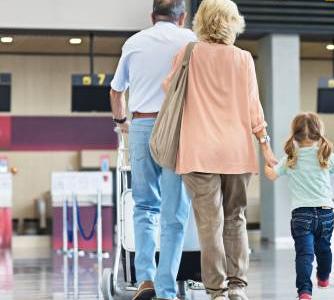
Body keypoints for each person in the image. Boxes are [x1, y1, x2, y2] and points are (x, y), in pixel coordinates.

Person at [165, 0, 277, 299]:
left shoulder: (188, 53)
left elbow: (168, 89)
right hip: (236, 152)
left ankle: (215, 291)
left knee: (209, 223)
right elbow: (254, 108)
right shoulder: (243, 59)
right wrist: (265, 147)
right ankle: (237, 287)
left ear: (201, 21)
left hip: (197, 151)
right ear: (233, 22)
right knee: (235, 217)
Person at [109, 1, 196, 300]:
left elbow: (116, 90)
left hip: (142, 127)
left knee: (145, 206)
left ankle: (144, 278)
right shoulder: (192, 42)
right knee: (174, 212)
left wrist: (122, 123)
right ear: (182, 18)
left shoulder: (134, 42)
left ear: (152, 16)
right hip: (177, 129)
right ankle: (167, 288)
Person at [264, 113, 334, 300]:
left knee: (304, 255)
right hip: (325, 214)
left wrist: (267, 166)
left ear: (295, 134)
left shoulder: (291, 158)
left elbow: (272, 175)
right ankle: (323, 278)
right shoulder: (326, 155)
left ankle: (305, 292)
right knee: (324, 249)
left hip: (301, 216)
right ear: (318, 133)